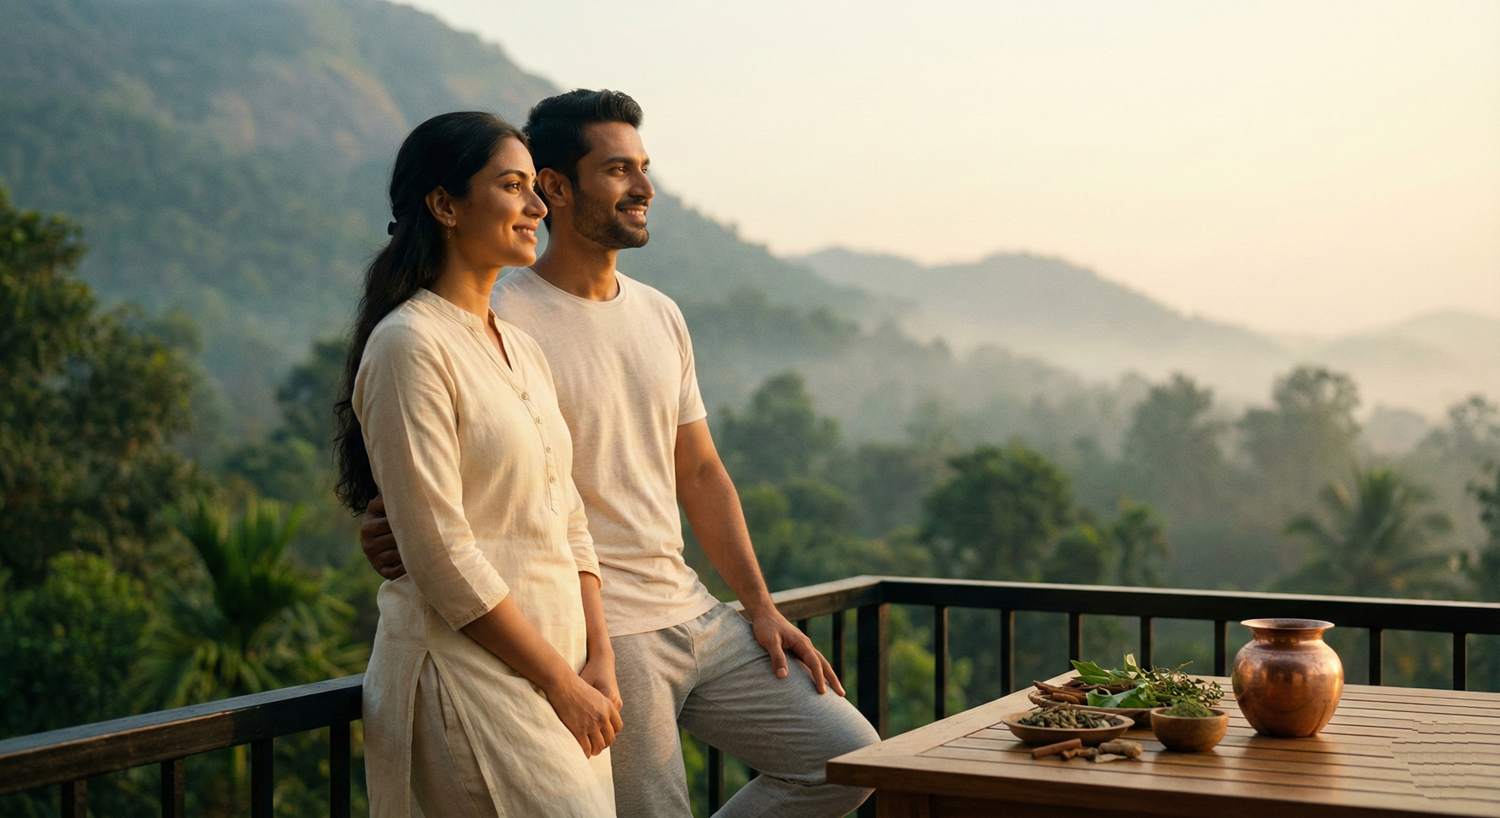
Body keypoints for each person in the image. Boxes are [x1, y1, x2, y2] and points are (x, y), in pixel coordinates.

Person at [362, 90, 878, 818]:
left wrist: (760, 607)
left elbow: (698, 471)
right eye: (619, 170)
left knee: (848, 760)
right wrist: (387, 528)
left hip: (694, 613)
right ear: (558, 187)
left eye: (644, 167)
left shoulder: (656, 314)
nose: (645, 188)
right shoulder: (494, 316)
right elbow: (428, 481)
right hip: (601, 637)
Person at [335, 111, 620, 818]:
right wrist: (560, 682)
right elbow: (439, 552)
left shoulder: (519, 347)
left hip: (562, 674)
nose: (537, 205)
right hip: (470, 673)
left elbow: (568, 517)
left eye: (536, 187)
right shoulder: (411, 345)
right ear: (443, 204)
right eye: (512, 186)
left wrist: (599, 660)